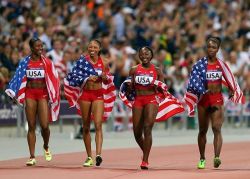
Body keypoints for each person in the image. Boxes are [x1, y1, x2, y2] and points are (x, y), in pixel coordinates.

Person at [184, 36, 245, 169]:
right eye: (209, 47)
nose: (211, 49)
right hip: (203, 100)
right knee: (202, 131)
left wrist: (231, 88)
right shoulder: (199, 65)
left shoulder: (221, 65)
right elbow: (193, 80)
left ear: (217, 49)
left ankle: (217, 157)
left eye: (214, 47)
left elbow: (229, 78)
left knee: (217, 128)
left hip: (216, 98)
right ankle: (202, 158)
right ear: (206, 48)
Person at [119, 46, 184, 169]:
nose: (144, 56)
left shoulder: (157, 70)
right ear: (139, 56)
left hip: (151, 100)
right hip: (138, 100)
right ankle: (146, 151)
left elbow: (163, 88)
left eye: (147, 54)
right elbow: (130, 87)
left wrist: (158, 85)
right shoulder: (133, 70)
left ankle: (145, 160)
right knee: (137, 133)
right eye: (142, 54)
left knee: (147, 127)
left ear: (151, 56)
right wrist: (128, 87)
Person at [5, 38, 60, 166]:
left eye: (42, 46)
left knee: (45, 126)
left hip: (42, 94)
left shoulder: (47, 62)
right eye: (37, 46)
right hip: (30, 94)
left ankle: (46, 146)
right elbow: (17, 77)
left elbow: (54, 78)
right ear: (32, 48)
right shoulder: (25, 62)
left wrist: (54, 94)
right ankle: (32, 156)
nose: (40, 48)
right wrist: (13, 92)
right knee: (31, 125)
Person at [64, 39, 116, 167]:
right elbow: (73, 77)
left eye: (95, 47)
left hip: (98, 95)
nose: (92, 49)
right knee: (86, 127)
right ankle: (89, 157)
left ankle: (98, 154)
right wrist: (87, 78)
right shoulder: (82, 61)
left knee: (98, 125)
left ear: (99, 49)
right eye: (90, 46)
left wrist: (104, 78)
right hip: (85, 95)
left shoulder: (104, 62)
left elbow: (107, 79)